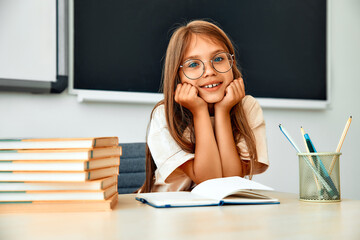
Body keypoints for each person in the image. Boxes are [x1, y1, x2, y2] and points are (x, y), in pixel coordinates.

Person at [139, 20, 268, 193]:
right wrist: (199, 112)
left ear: (232, 62)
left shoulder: (247, 108)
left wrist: (223, 111)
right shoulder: (164, 115)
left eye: (218, 59)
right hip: (170, 214)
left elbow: (231, 181)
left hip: (218, 214)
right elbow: (210, 181)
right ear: (177, 75)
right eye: (193, 64)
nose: (209, 71)